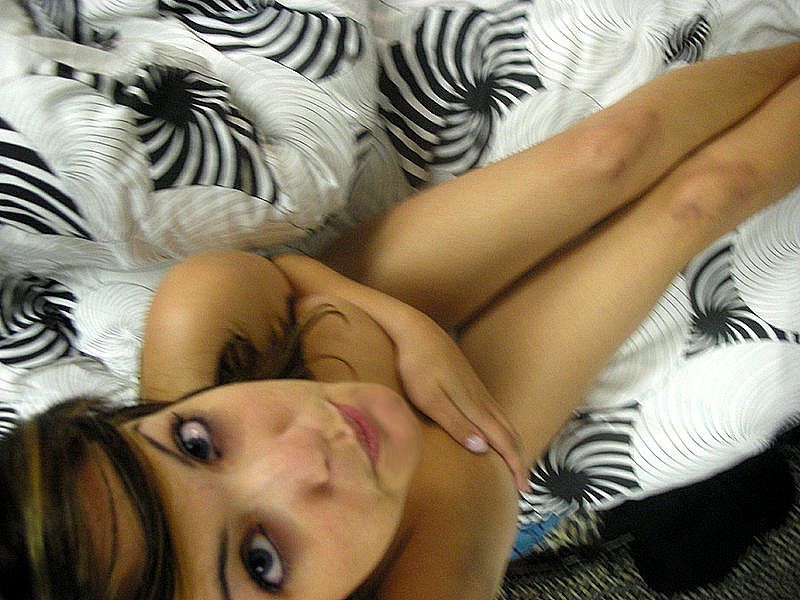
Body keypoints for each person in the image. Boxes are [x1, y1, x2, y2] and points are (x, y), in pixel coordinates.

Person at [2, 41, 800, 600]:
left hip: (341, 329)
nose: (303, 455)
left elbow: (284, 278)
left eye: (197, 444)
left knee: (612, 150)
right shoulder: (431, 581)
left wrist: (405, 327)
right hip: (471, 463)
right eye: (261, 560)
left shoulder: (201, 329)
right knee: (704, 198)